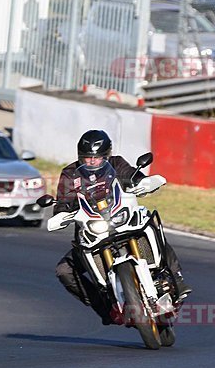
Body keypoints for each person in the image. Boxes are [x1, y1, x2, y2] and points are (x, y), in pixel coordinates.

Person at [54, 130, 192, 324]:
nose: (92, 162)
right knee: (63, 270)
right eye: (87, 158)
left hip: (123, 220)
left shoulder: (117, 163)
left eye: (98, 157)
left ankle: (176, 278)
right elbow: (62, 203)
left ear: (107, 155)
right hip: (92, 233)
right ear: (79, 156)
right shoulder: (70, 174)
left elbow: (134, 178)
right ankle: (105, 309)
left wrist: (144, 183)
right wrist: (61, 215)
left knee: (151, 225)